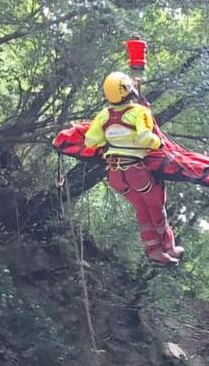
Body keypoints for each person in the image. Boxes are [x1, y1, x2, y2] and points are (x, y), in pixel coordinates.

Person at [84, 71, 182, 266]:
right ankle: (169, 247)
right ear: (128, 90)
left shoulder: (103, 115)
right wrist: (158, 143)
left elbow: (90, 140)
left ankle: (154, 252)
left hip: (115, 175)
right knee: (155, 206)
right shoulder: (139, 112)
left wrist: (109, 143)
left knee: (141, 209)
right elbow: (145, 137)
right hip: (136, 172)